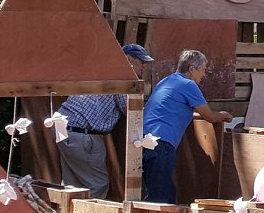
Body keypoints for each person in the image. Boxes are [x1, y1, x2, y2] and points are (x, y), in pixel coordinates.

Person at [55, 44, 154, 196]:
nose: (144, 66)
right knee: (98, 185)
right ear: (128, 60)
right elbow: (130, 110)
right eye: (141, 61)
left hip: (62, 126)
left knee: (73, 185)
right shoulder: (123, 77)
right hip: (84, 135)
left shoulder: (99, 69)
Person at [140, 49, 231, 203]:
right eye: (202, 70)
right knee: (159, 197)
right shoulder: (188, 85)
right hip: (162, 142)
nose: (203, 75)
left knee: (163, 191)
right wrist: (223, 115)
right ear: (191, 69)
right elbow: (208, 116)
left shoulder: (166, 81)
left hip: (145, 141)